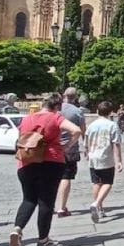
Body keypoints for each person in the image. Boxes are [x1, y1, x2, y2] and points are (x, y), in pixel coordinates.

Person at [9, 93, 82, 246]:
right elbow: (76, 131)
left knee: (28, 199)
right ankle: (43, 239)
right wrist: (66, 146)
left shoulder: (27, 119)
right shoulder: (55, 117)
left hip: (26, 162)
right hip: (51, 161)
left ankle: (17, 229)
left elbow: (20, 138)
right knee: (46, 201)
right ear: (56, 107)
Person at [85, 101, 123, 223]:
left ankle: (100, 209)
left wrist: (87, 152)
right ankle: (97, 204)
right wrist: (119, 161)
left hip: (93, 156)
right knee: (107, 182)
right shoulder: (112, 125)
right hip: (106, 157)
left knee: (96, 183)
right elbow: (116, 144)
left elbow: (86, 141)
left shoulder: (91, 125)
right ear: (110, 112)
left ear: (97, 111)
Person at [55, 87, 87, 217]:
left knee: (51, 178)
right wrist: (87, 147)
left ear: (63, 96)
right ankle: (62, 208)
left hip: (53, 147)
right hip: (70, 149)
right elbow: (83, 131)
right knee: (66, 177)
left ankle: (49, 204)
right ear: (76, 97)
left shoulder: (55, 110)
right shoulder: (77, 112)